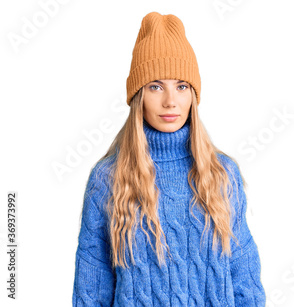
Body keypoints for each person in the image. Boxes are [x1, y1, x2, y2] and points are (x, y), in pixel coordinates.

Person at [72, 11, 266, 306]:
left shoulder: (223, 175)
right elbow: (91, 289)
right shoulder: (108, 178)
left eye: (181, 86)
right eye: (155, 86)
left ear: (193, 95)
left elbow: (244, 278)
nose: (170, 101)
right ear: (138, 95)